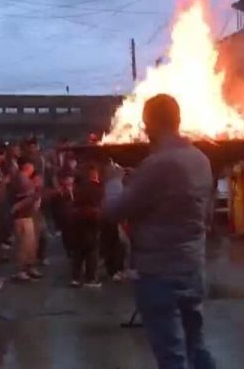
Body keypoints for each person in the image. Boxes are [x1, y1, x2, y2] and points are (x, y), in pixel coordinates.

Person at [103, 94, 216, 369]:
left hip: (159, 272)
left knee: (171, 356)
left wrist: (114, 181)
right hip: (193, 266)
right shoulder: (200, 159)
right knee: (195, 345)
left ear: (150, 123)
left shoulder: (157, 164)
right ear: (178, 121)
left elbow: (113, 211)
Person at [71, 164, 105, 288]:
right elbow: (100, 204)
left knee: (78, 251)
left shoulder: (79, 187)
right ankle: (90, 279)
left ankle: (75, 277)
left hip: (78, 221)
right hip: (91, 221)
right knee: (92, 250)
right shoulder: (98, 188)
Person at [10, 157, 42, 282]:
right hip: (22, 216)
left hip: (28, 215)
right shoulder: (22, 178)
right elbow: (27, 197)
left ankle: (29, 267)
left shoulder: (25, 179)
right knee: (23, 244)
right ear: (27, 166)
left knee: (30, 244)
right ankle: (21, 270)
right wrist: (36, 190)